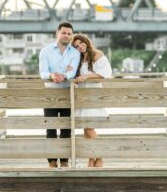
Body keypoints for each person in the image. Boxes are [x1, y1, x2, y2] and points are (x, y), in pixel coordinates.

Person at [38, 21, 80, 168]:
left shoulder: (75, 53)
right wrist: (51, 75)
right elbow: (42, 72)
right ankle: (51, 161)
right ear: (57, 33)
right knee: (50, 127)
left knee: (66, 127)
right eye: (64, 32)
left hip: (68, 93)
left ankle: (64, 159)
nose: (66, 36)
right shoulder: (45, 51)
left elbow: (72, 71)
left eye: (69, 33)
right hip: (50, 93)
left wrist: (64, 76)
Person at [72, 33, 112, 168]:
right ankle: (91, 158)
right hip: (82, 96)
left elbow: (106, 73)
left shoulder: (97, 54)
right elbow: (75, 75)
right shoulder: (78, 58)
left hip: (93, 95)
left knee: (89, 128)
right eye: (76, 46)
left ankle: (100, 156)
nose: (80, 47)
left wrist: (87, 77)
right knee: (85, 129)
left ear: (86, 42)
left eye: (81, 44)